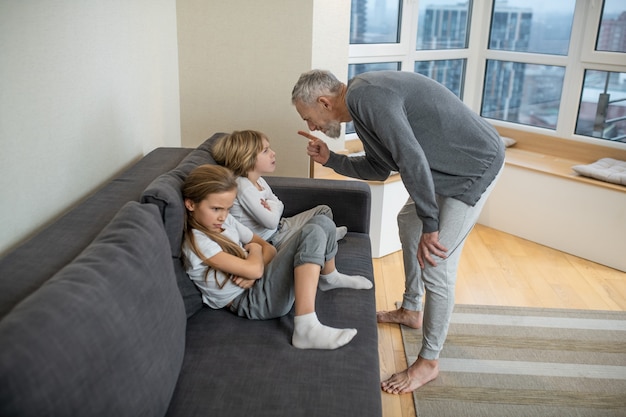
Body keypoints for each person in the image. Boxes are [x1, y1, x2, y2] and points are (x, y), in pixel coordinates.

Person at [291, 70, 505, 390]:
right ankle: (411, 309)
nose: (312, 127)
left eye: (309, 118)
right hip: (441, 169)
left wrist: (431, 226)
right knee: (408, 222)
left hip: (472, 167)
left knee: (436, 261)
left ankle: (429, 361)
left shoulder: (367, 96)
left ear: (323, 102)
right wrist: (332, 159)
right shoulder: (360, 107)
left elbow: (409, 156)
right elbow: (380, 168)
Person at [181, 164, 372, 350]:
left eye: (227, 208)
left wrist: (254, 262)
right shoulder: (199, 243)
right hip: (253, 301)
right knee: (312, 232)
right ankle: (306, 327)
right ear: (190, 204)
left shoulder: (225, 222)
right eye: (216, 209)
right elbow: (257, 262)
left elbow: (269, 251)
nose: (223, 216)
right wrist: (255, 251)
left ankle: (329, 277)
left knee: (322, 221)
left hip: (261, 282)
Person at [211, 129, 348, 250]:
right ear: (247, 159)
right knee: (315, 229)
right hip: (271, 240)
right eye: (265, 151)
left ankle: (322, 238)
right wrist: (272, 205)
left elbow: (279, 204)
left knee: (323, 210)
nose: (273, 153)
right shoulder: (243, 187)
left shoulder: (258, 180)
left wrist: (270, 205)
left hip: (281, 226)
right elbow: (271, 222)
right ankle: (323, 240)